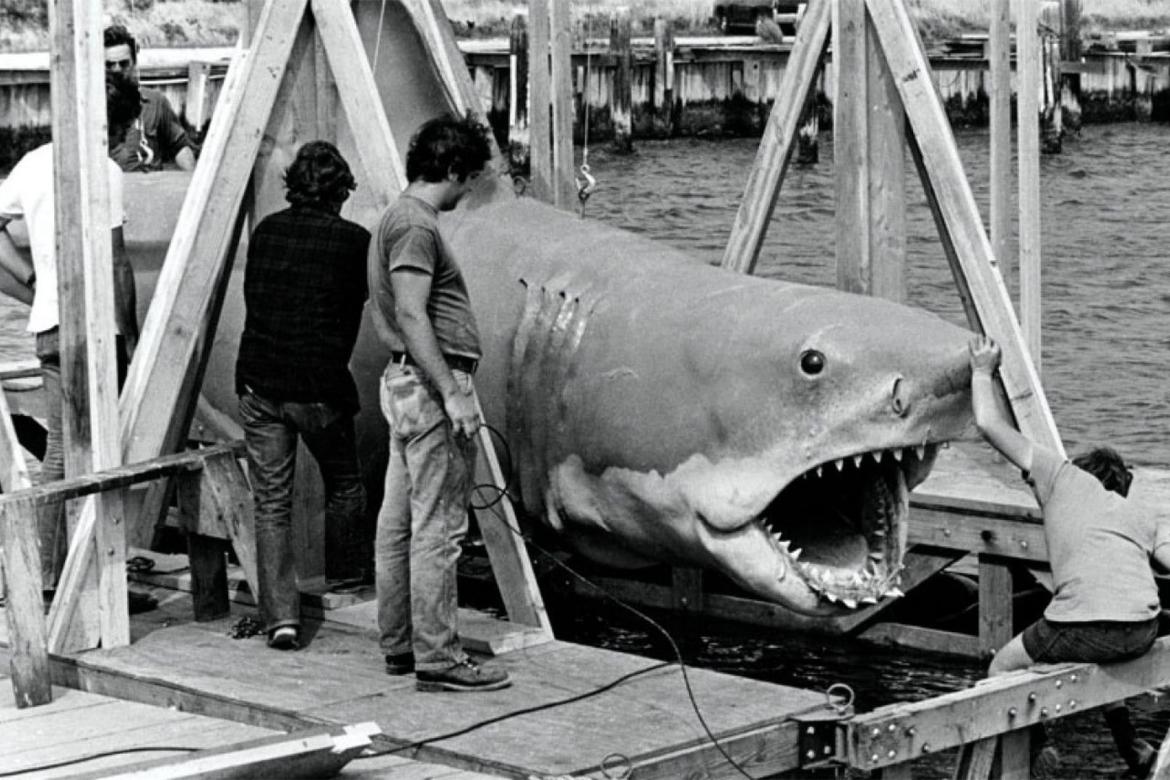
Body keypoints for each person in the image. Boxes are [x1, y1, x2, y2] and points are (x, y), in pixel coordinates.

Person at [971, 335, 1166, 777]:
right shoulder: (1140, 510)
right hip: (1140, 629)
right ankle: (1133, 749)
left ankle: (1036, 749)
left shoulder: (1060, 476)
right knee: (1101, 653)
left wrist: (982, 370)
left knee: (1002, 665)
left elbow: (988, 424)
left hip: (1084, 625)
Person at [369, 115, 509, 692]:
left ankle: (401, 645)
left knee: (399, 522)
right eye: (468, 179)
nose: (467, 192)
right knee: (439, 528)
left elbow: (386, 315)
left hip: (404, 381)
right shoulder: (416, 227)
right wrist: (452, 391)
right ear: (451, 169)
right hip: (430, 387)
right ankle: (438, 657)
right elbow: (409, 311)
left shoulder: (393, 219)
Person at [0, 74, 141, 591]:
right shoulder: (105, 172)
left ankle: (53, 575)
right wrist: (132, 334)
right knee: (90, 453)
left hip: (48, 326)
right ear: (114, 125)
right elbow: (117, 263)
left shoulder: (35, 162)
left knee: (61, 450)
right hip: (93, 331)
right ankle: (65, 579)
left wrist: (32, 279)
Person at [235, 141, 370, 651]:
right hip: (318, 389)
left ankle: (281, 620)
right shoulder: (354, 241)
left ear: (294, 186)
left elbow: (254, 299)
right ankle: (346, 583)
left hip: (260, 383)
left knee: (271, 503)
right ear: (341, 192)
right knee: (346, 485)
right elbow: (357, 303)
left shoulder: (266, 231)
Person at [103, 24, 197, 172]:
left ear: (134, 64)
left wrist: (192, 179)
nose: (117, 70)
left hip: (148, 182)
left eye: (123, 64)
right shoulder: (86, 110)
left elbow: (180, 147)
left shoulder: (155, 102)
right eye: (109, 65)